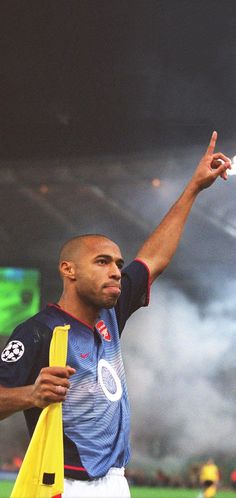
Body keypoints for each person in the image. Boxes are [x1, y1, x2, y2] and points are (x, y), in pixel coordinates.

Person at [0, 132, 231, 498]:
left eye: (118, 264)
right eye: (102, 262)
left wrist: (193, 189)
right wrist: (31, 394)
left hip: (116, 481)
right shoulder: (37, 331)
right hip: (66, 483)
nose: (114, 271)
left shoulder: (111, 315)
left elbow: (153, 258)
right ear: (68, 270)